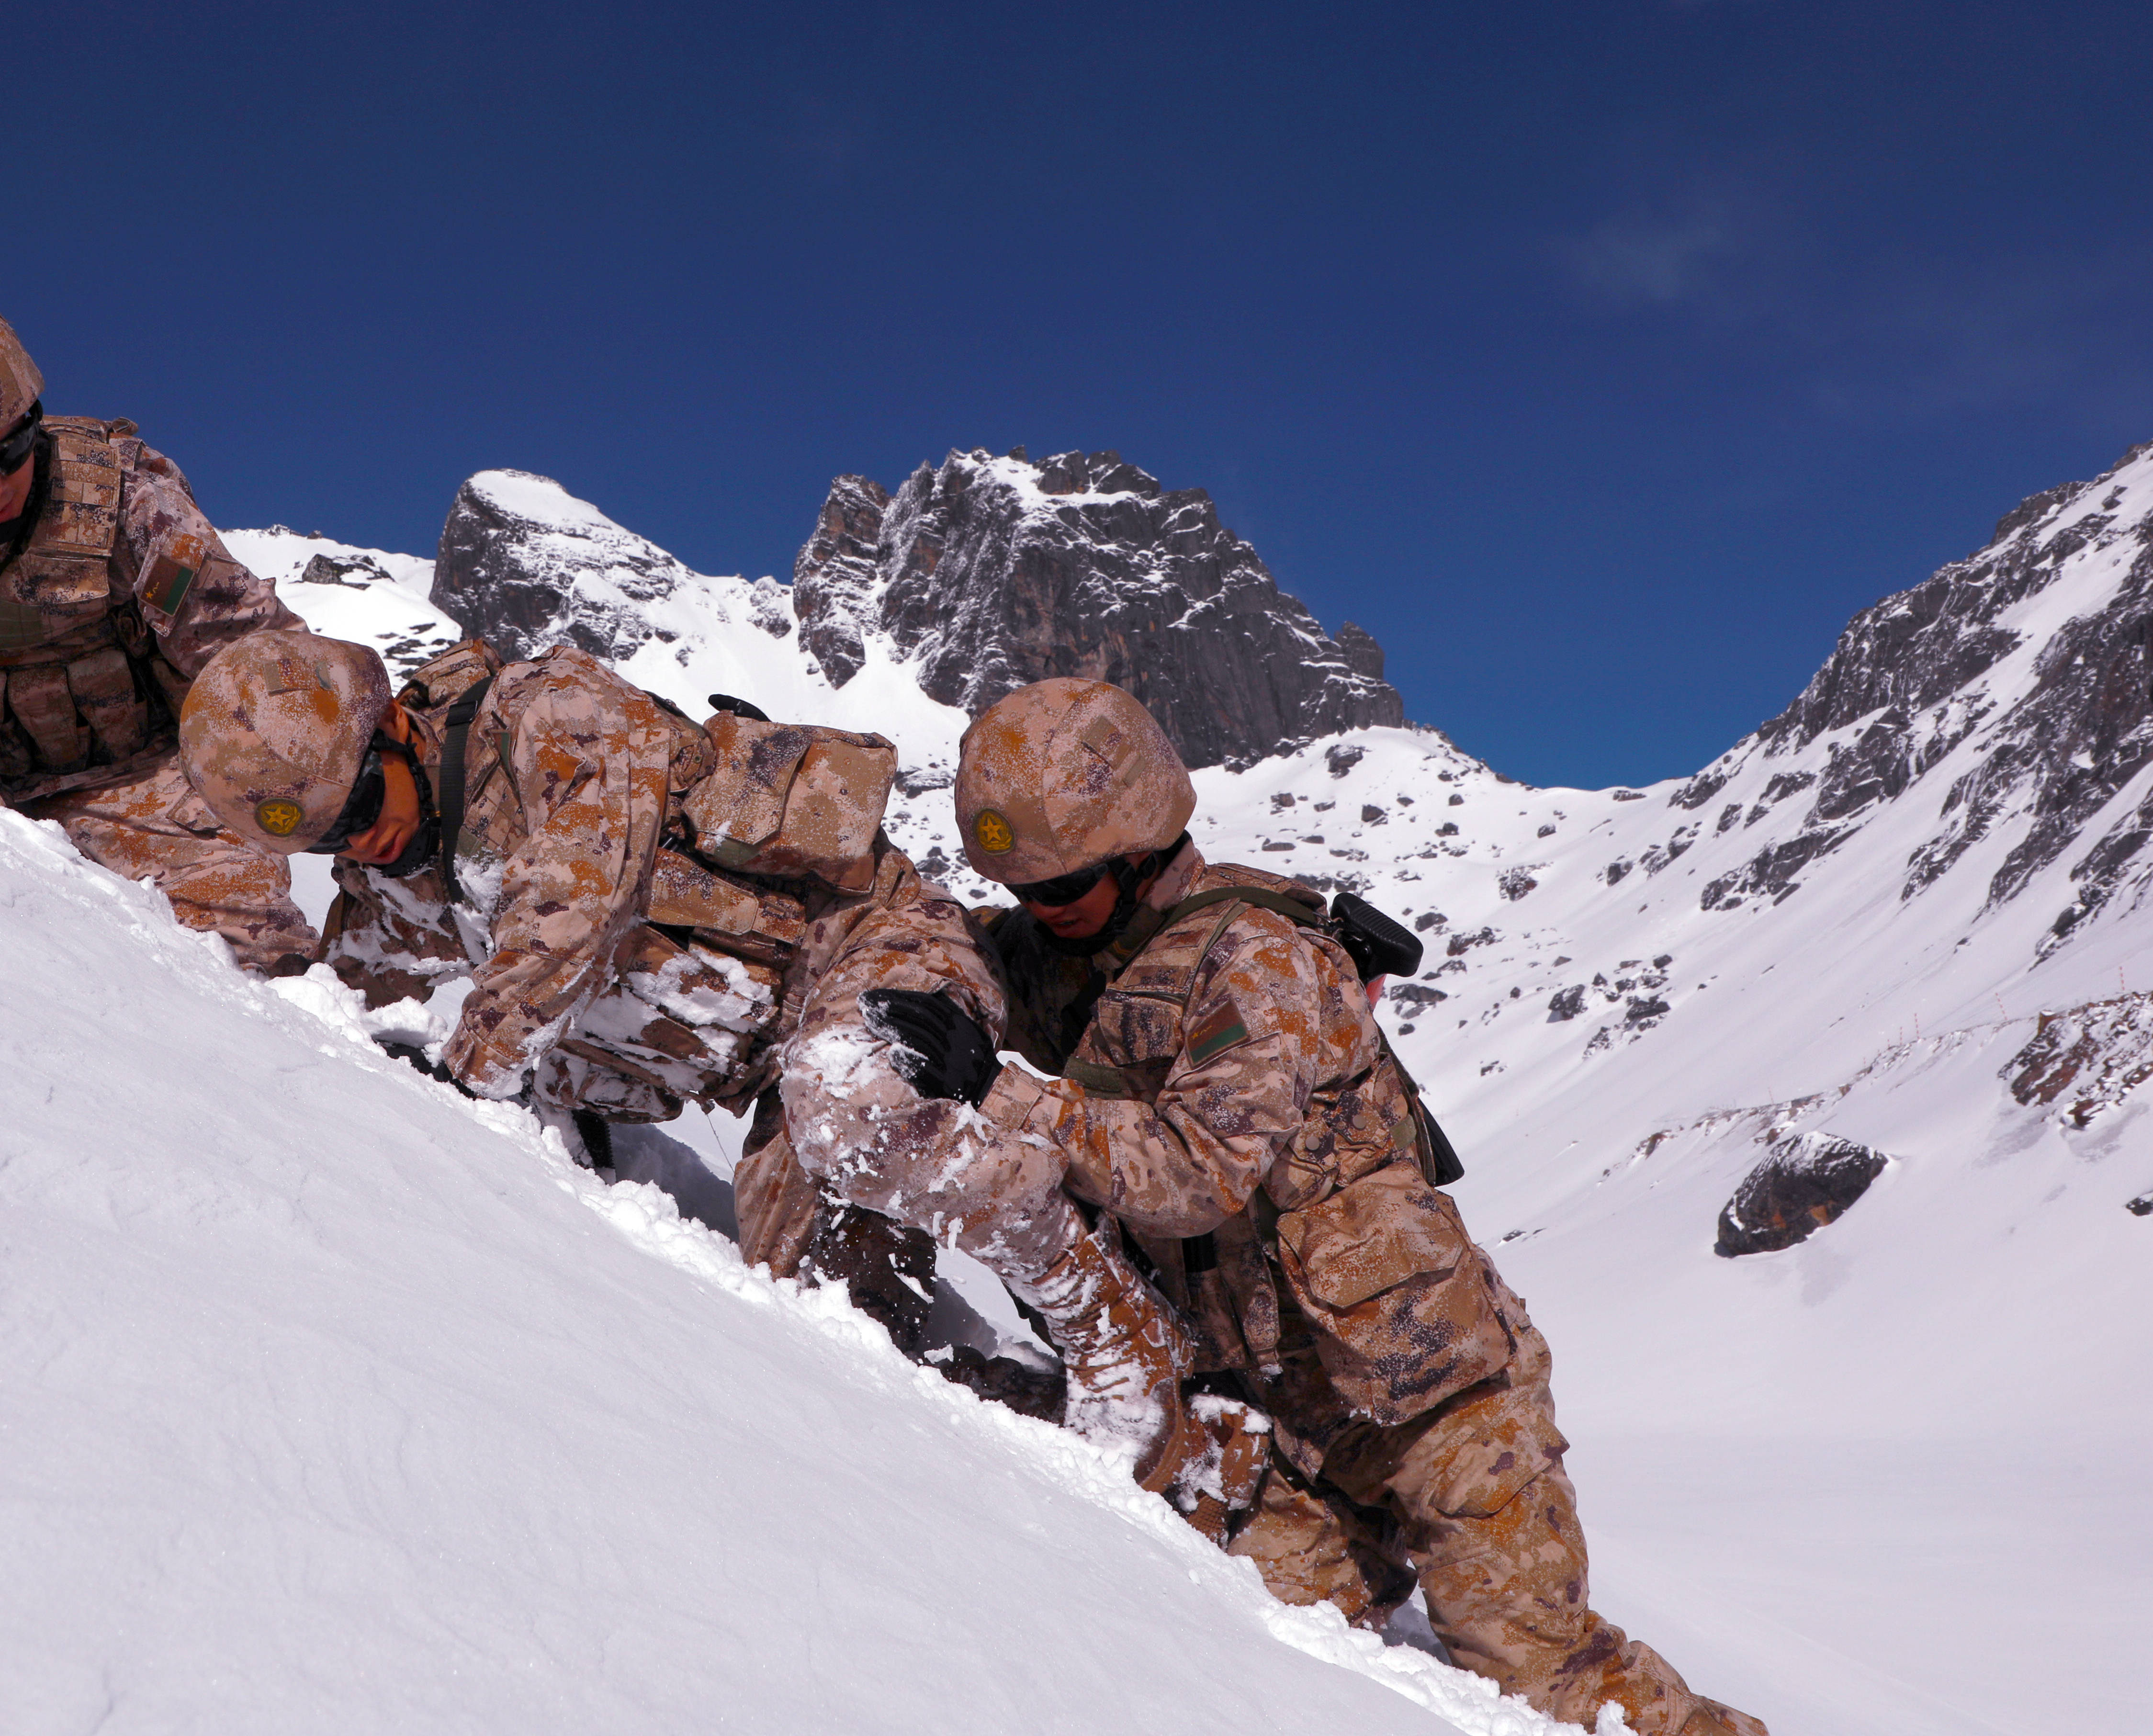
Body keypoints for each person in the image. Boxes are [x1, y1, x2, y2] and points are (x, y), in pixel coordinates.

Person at [858, 676, 1765, 1736]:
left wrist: (1005, 1092)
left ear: (1141, 848)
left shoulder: (1257, 959)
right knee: (1234, 1637)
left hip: (1437, 1406)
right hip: (1278, 1419)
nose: (1040, 907)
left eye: (1064, 884)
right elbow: (950, 939)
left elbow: (1196, 1174)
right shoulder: (1062, 951)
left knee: (1542, 1679)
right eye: (1024, 887)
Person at [171, 627, 1199, 1476]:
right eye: (323, 842)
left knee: (842, 1098)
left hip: (874, 947)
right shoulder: (388, 874)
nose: (359, 844)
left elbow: (576, 898)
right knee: (827, 1355)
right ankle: (1053, 1443)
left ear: (394, 726)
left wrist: (473, 1070)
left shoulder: (544, 715)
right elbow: (323, 1020)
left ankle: (1115, 1335)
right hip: (770, 1084)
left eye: (358, 805)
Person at [0, 289, 315, 973]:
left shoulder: (127, 497)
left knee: (257, 948)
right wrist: (26, 865)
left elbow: (246, 658)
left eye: (14, 448)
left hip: (154, 779)